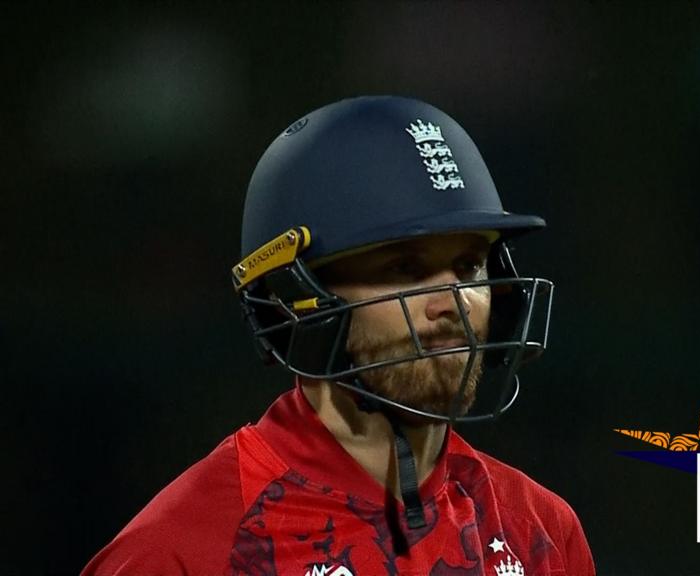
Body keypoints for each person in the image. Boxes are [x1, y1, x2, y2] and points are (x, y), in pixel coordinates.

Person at [83, 96, 595, 576]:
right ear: (295, 299)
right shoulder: (183, 551)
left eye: (468, 266)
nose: (453, 302)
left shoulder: (540, 531)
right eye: (404, 268)